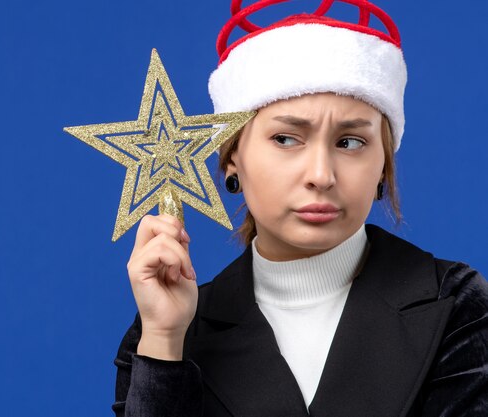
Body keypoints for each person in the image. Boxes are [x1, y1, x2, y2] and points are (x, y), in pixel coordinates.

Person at [113, 0, 488, 415]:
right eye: (287, 139)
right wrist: (165, 341)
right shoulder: (165, 329)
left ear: (383, 162)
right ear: (233, 155)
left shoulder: (455, 304)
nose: (321, 175)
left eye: (350, 142)